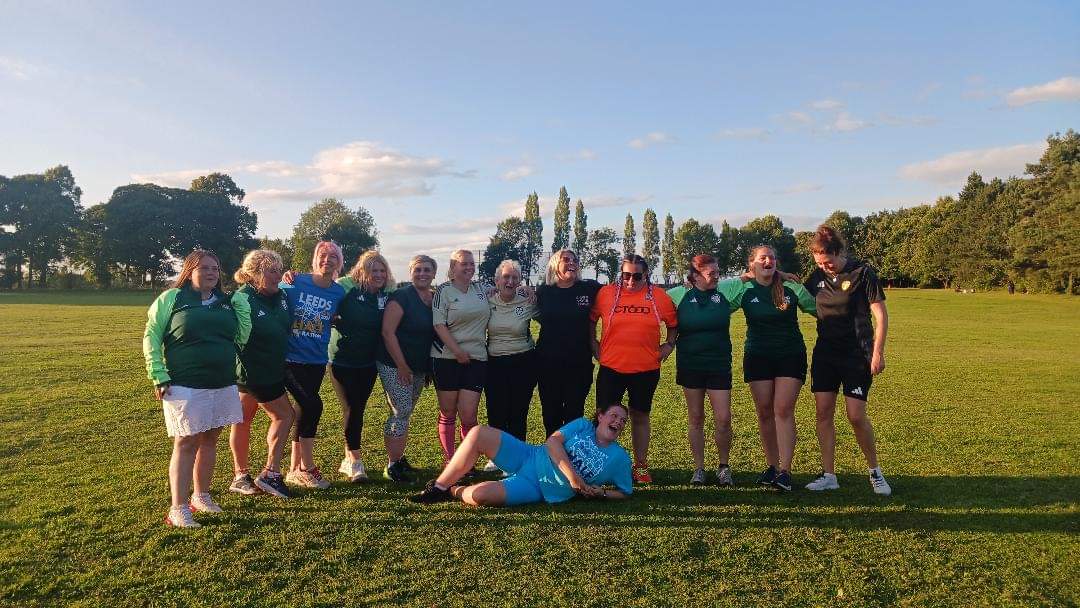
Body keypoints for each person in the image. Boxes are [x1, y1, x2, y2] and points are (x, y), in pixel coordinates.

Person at [144, 250, 251, 527]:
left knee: (210, 439)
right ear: (189, 270)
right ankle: (178, 508)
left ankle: (201, 496)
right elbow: (152, 335)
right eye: (204, 268)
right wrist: (158, 374)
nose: (211, 272)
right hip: (184, 383)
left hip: (222, 381)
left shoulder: (227, 302)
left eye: (215, 268)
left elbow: (241, 337)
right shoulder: (172, 298)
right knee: (186, 441)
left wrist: (242, 307)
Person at [803, 225, 892, 495]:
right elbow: (797, 289)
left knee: (855, 416)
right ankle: (829, 475)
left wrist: (877, 352)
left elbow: (881, 316)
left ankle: (875, 472)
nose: (824, 267)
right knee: (823, 413)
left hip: (856, 355)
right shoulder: (817, 276)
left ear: (838, 252)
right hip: (825, 355)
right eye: (819, 263)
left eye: (827, 262)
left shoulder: (862, 273)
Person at [409, 403, 632, 506]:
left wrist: (602, 493)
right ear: (600, 417)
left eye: (623, 421)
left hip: (538, 487)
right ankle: (438, 488)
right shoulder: (583, 425)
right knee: (478, 433)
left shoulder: (619, 458)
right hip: (530, 456)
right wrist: (574, 478)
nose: (618, 422)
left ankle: (453, 490)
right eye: (614, 415)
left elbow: (624, 492)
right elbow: (552, 442)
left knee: (480, 496)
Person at [591, 254, 678, 484]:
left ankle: (640, 466)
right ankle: (599, 464)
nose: (630, 281)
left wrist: (669, 345)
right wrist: (593, 344)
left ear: (646, 275)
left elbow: (673, 324)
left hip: (645, 369)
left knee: (640, 415)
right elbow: (591, 320)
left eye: (636, 276)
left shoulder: (659, 297)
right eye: (626, 275)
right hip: (611, 367)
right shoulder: (606, 293)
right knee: (604, 417)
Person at [738, 245, 816, 492]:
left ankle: (785, 471)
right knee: (764, 412)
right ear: (753, 263)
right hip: (757, 355)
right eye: (763, 258)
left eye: (772, 257)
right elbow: (715, 295)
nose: (768, 261)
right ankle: (771, 466)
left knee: (782, 409)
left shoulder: (791, 287)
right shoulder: (743, 288)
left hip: (790, 355)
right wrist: (745, 277)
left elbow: (819, 309)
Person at [666, 254, 750, 486]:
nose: (716, 277)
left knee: (723, 418)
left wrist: (782, 274)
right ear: (695, 276)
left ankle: (724, 467)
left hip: (718, 365)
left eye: (717, 272)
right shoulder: (678, 294)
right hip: (690, 364)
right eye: (711, 273)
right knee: (696, 418)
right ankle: (699, 469)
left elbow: (751, 276)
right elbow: (653, 301)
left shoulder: (724, 291)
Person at [280, 241, 347, 489]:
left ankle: (293, 470)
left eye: (333, 257)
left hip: (317, 359)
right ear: (315, 259)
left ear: (339, 263)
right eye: (322, 255)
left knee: (303, 410)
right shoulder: (295, 281)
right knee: (313, 405)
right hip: (290, 359)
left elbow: (336, 316)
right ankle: (307, 467)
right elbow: (268, 291)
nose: (327, 260)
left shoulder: (338, 292)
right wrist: (285, 275)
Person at [228, 249, 295, 499]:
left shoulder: (281, 295)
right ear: (254, 274)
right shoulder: (242, 299)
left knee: (242, 419)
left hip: (271, 367)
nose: (277, 275)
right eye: (271, 271)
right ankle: (270, 473)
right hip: (256, 371)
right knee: (285, 416)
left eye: (279, 270)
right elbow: (234, 337)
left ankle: (240, 476)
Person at [328, 250, 395, 482]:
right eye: (373, 270)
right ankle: (355, 461)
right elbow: (322, 293)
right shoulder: (346, 287)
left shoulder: (388, 293)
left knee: (358, 408)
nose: (379, 275)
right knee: (352, 408)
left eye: (382, 270)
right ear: (362, 271)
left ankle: (349, 457)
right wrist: (293, 277)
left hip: (368, 362)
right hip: (341, 359)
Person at [377, 254, 436, 482]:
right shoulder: (402, 296)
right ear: (411, 272)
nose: (422, 274)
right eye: (418, 269)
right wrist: (402, 365)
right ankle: (392, 465)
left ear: (434, 273)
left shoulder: (433, 297)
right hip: (395, 364)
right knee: (400, 410)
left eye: (427, 269)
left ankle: (399, 459)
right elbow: (387, 332)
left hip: (418, 366)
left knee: (405, 411)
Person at [431, 250, 491, 466]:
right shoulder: (443, 290)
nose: (469, 267)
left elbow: (505, 287)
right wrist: (457, 352)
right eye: (464, 264)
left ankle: (466, 462)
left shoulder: (481, 289)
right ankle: (450, 461)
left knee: (469, 416)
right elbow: (439, 324)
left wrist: (525, 289)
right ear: (453, 267)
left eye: (471, 264)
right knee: (448, 412)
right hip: (446, 358)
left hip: (476, 359)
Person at [534, 249, 603, 437]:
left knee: (574, 413)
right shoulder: (544, 291)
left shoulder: (589, 288)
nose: (572, 262)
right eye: (566, 259)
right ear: (555, 264)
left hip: (579, 364)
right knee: (551, 413)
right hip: (548, 364)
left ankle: (571, 452)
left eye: (575, 259)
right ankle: (552, 452)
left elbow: (614, 293)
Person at [484, 260, 539, 447]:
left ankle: (518, 454)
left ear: (520, 281)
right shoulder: (487, 300)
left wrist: (530, 290)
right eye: (506, 277)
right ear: (497, 280)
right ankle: (497, 455)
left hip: (523, 362)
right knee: (495, 411)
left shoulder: (528, 301)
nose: (510, 281)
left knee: (519, 411)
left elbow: (550, 317)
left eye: (515, 278)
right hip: (494, 363)